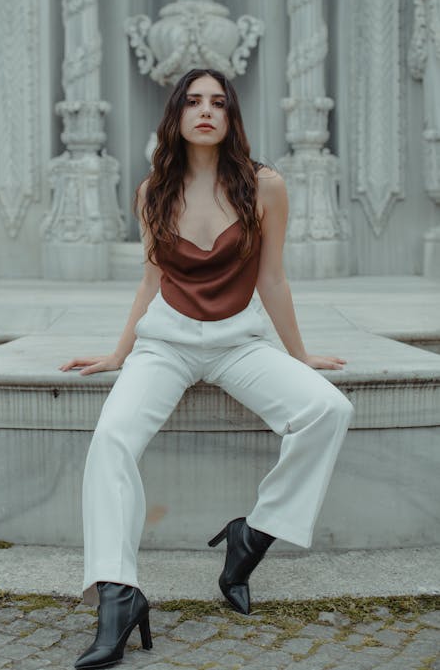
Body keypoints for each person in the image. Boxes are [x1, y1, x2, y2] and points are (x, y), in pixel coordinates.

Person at [60, 68, 354, 669]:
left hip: (237, 342)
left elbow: (272, 278)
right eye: (193, 101)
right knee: (111, 440)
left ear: (231, 116)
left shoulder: (264, 185)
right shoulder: (151, 191)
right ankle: (118, 596)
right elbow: (150, 278)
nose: (205, 111)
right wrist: (119, 353)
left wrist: (300, 356)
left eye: (218, 102)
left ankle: (252, 537)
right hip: (164, 343)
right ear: (176, 114)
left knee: (328, 408)